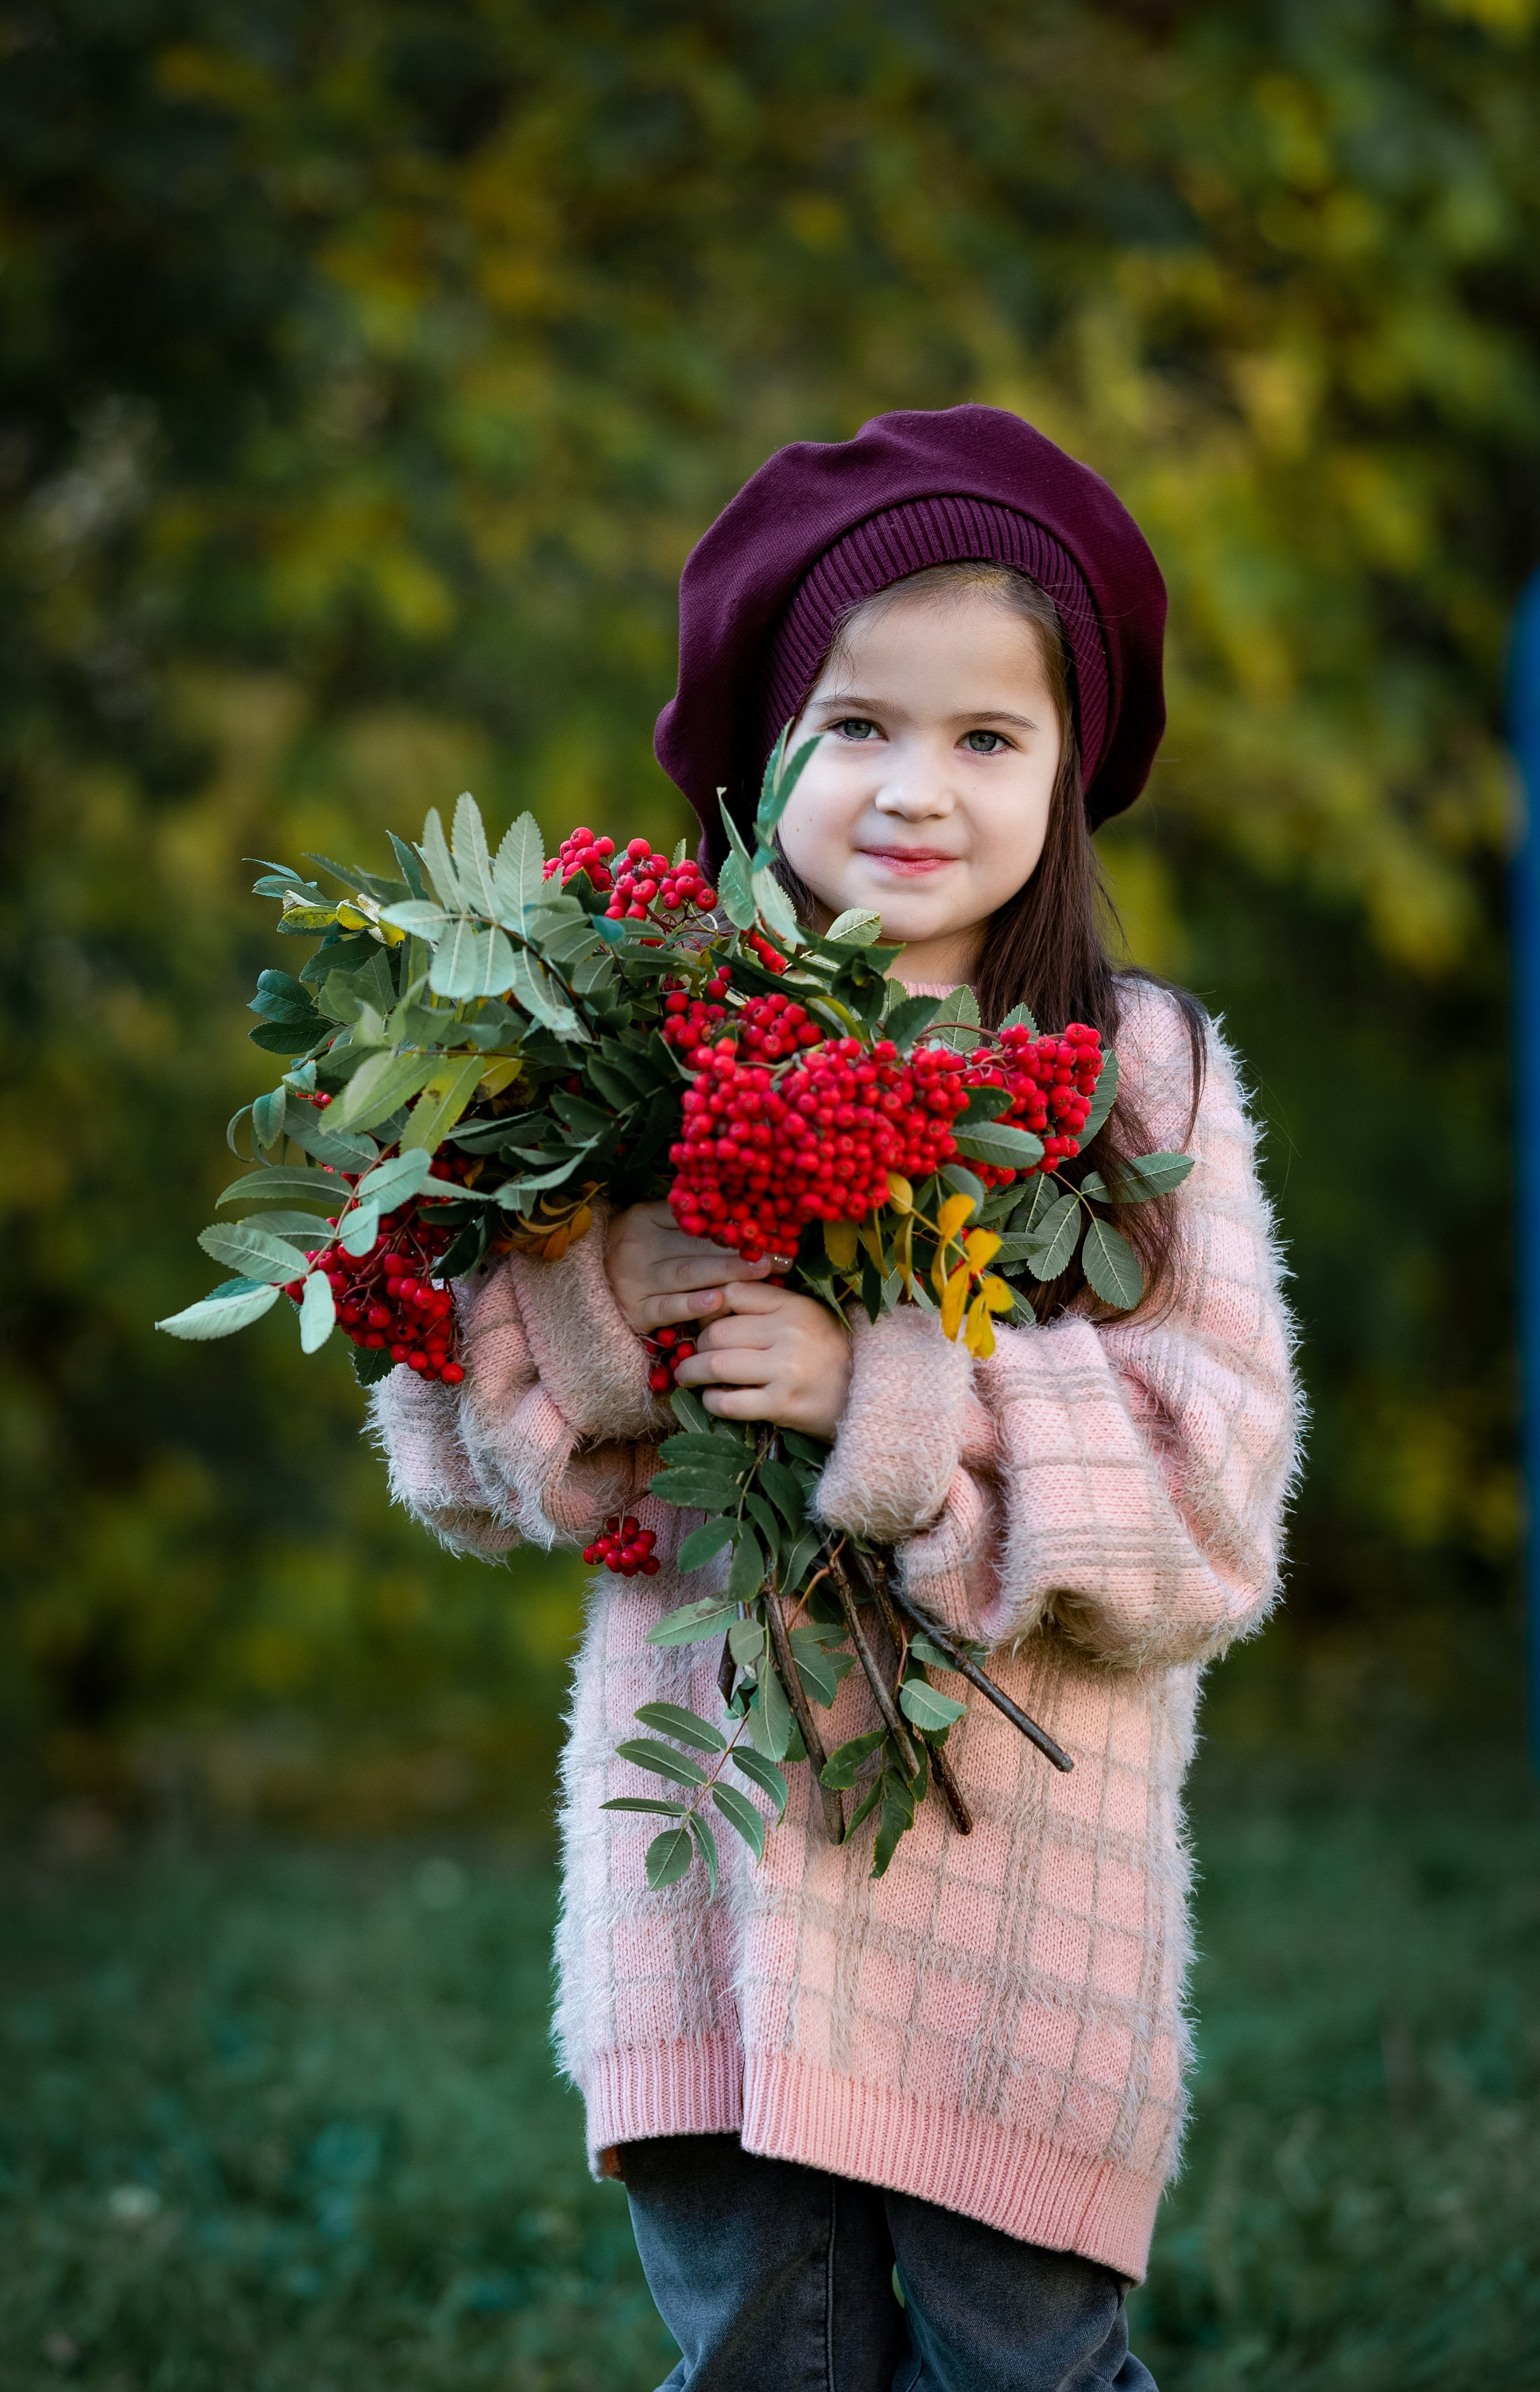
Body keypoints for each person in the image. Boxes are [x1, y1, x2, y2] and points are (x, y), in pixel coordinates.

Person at [373, 406, 1301, 2391]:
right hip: (702, 1904)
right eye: (861, 726)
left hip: (1008, 1921)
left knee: (1024, 2368)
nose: (918, 789)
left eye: (990, 739)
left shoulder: (1131, 1083)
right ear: (767, 751)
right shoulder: (634, 1054)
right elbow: (472, 1463)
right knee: (762, 2368)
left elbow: (1214, 1510)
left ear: (1071, 773)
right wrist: (619, 1291)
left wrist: (893, 1394)